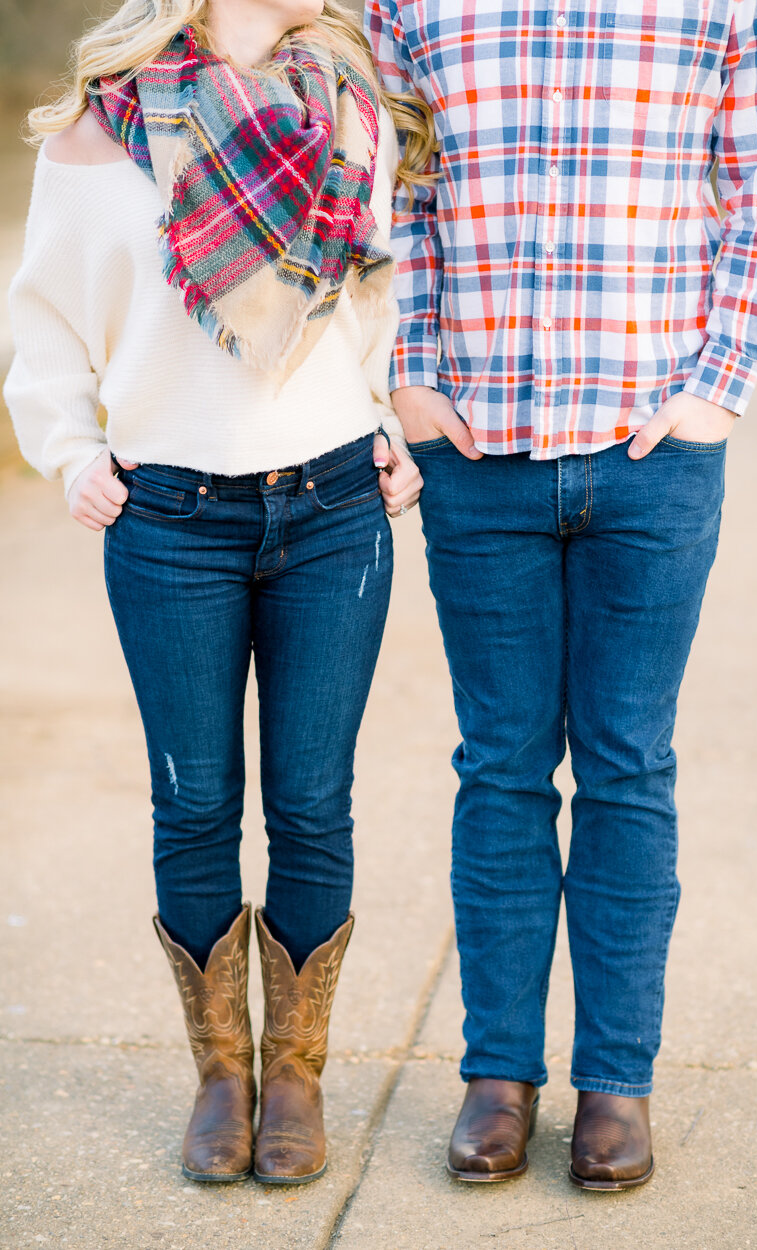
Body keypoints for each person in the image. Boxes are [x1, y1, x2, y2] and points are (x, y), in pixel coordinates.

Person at [368, 0, 757, 1190]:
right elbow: (396, 188)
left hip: (650, 443)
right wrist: (407, 375)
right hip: (478, 443)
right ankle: (496, 1074)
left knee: (627, 763)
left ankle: (615, 1078)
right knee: (500, 762)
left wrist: (719, 385)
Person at [5, 0, 435, 1187]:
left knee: (310, 800)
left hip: (337, 504)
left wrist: (389, 410)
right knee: (192, 804)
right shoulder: (99, 133)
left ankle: (293, 1072)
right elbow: (40, 322)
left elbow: (376, 297)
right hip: (171, 518)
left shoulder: (353, 117)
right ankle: (222, 1078)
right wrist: (71, 449)